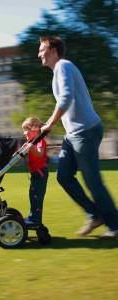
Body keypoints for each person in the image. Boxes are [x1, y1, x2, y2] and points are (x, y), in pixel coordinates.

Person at [38, 36, 118, 239]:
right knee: (63, 176)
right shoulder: (58, 71)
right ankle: (95, 215)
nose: (39, 54)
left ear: (53, 51)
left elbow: (66, 98)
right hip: (73, 134)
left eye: (42, 49)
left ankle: (115, 226)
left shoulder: (64, 66)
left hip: (86, 132)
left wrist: (49, 124)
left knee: (93, 181)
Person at [22, 116, 49, 225]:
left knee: (37, 197)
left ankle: (35, 219)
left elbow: (40, 154)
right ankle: (33, 217)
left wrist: (30, 148)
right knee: (32, 195)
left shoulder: (40, 141)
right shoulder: (32, 141)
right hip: (35, 173)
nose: (24, 133)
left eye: (25, 130)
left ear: (34, 129)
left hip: (40, 173)